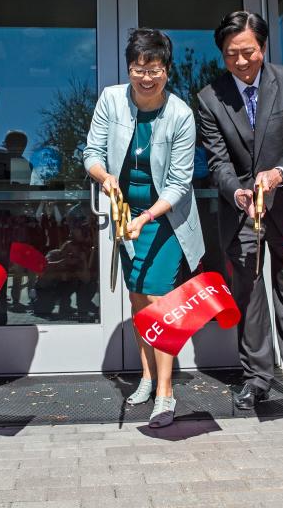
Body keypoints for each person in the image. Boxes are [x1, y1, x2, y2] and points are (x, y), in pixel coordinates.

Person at [197, 11, 283, 411]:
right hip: (241, 211)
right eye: (231, 54)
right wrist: (236, 191)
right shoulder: (209, 98)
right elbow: (217, 162)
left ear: (263, 47)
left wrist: (278, 174)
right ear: (222, 53)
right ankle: (257, 378)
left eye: (248, 52)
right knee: (249, 297)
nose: (240, 61)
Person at [83, 28, 203, 428]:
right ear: (129, 68)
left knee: (159, 300)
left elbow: (179, 182)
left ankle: (166, 392)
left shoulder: (181, 114)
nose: (145, 77)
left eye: (154, 69)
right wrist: (105, 179)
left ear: (167, 70)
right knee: (137, 299)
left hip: (164, 218)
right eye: (138, 69)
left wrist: (148, 216)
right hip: (124, 216)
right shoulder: (111, 100)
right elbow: (92, 153)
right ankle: (148, 375)